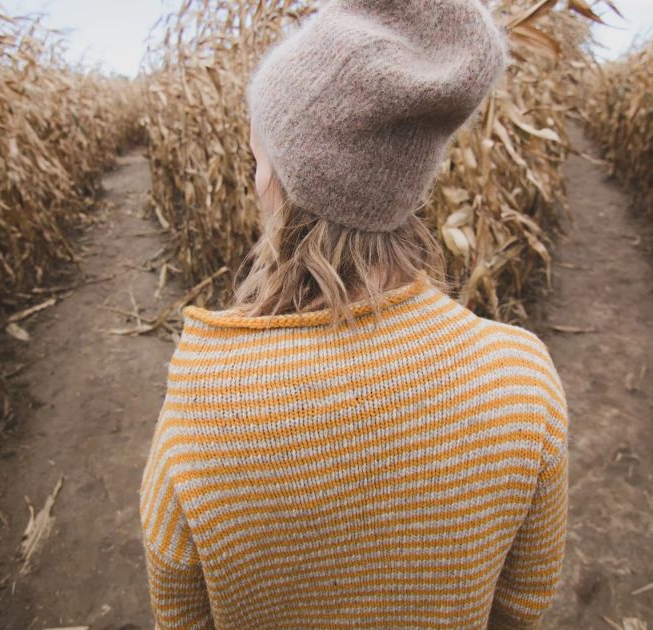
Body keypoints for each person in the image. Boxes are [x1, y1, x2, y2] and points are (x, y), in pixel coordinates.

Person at [138, 1, 568, 627]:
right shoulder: (523, 380)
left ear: (290, 181)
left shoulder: (206, 403)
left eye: (260, 158)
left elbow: (181, 616)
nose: (254, 180)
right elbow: (523, 606)